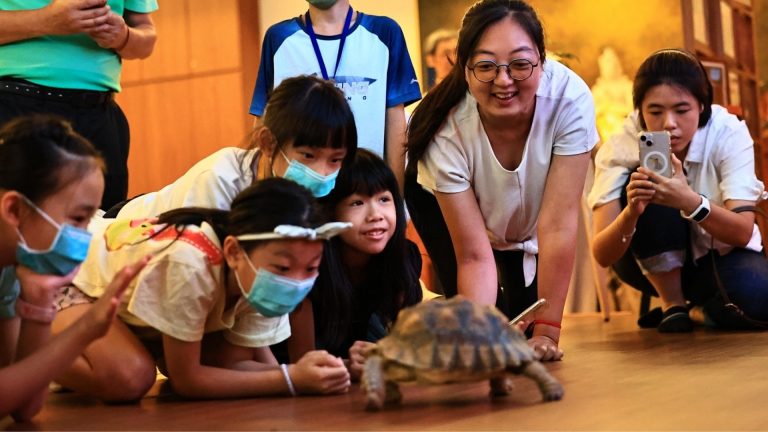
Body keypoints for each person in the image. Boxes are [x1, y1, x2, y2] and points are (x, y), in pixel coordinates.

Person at [405, 0, 598, 361]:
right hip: (445, 211)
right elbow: (474, 255)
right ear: (464, 68)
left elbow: (558, 225)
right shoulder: (444, 129)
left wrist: (548, 331)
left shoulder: (569, 100)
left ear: (542, 60)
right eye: (486, 66)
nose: (503, 80)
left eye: (520, 64)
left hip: (526, 223)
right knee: (489, 336)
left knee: (527, 332)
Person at [52, 178, 352, 401]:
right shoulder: (190, 263)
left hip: (117, 305)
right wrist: (291, 379)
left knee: (223, 362)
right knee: (130, 377)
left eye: (311, 268)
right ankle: (32, 350)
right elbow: (187, 380)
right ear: (233, 252)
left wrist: (333, 371)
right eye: (283, 269)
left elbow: (248, 367)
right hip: (67, 275)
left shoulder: (254, 272)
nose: (296, 282)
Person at [589, 49, 768, 332]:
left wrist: (689, 201)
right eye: (655, 112)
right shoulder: (621, 145)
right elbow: (602, 255)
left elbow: (743, 231)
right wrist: (631, 213)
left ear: (702, 105)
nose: (669, 123)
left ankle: (697, 310)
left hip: (720, 259)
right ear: (639, 110)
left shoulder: (727, 133)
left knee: (760, 298)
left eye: (682, 110)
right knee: (644, 181)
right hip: (644, 262)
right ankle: (672, 305)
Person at [0, 115, 147, 421]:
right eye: (78, 219)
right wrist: (84, 330)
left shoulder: (12, 268)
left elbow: (23, 405)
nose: (84, 235)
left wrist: (40, 299)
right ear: (14, 209)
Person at [110, 74, 357, 219]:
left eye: (335, 159)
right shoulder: (219, 182)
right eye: (308, 155)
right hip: (124, 231)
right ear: (268, 143)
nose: (321, 173)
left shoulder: (328, 193)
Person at [0, 0, 158, 210]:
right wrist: (45, 21)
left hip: (100, 113)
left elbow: (146, 38)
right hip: (14, 104)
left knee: (104, 221)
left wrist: (123, 36)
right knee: (14, 218)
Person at [249, 0, 421, 191]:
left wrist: (396, 195)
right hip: (298, 186)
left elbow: (395, 121)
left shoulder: (384, 32)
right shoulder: (278, 37)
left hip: (364, 187)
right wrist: (265, 193)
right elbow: (264, 121)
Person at [282, 149, 423, 379]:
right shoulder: (308, 268)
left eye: (384, 199)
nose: (375, 215)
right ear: (330, 213)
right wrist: (349, 366)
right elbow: (303, 363)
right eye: (357, 202)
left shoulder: (405, 257)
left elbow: (410, 347)